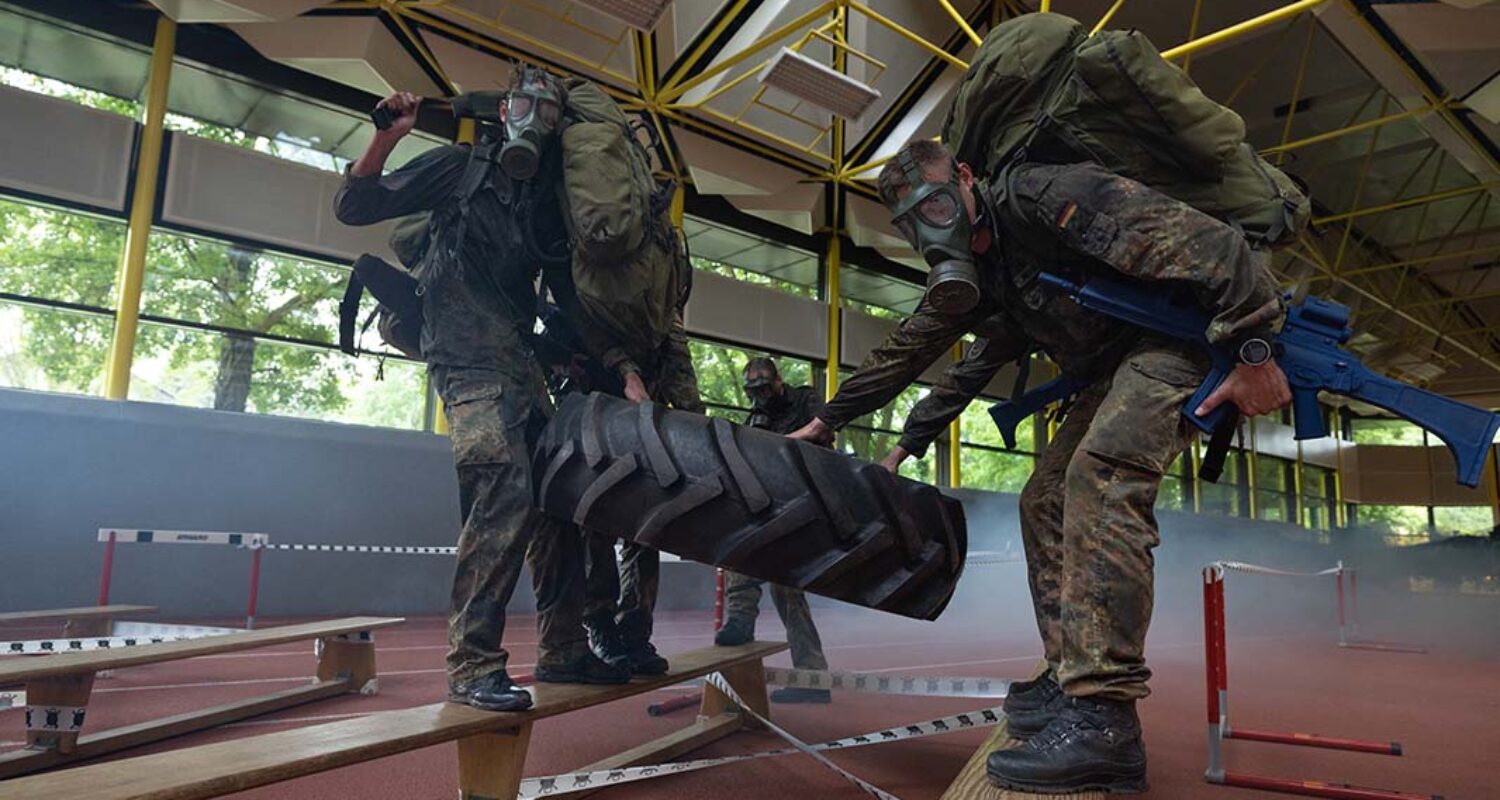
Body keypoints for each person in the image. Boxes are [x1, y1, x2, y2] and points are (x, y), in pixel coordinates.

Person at [789, 138, 1292, 793]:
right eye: (914, 221)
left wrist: (1254, 348)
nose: (932, 226)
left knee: (1102, 477)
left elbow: (1216, 249)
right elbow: (918, 356)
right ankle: (1069, 679)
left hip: (1191, 337)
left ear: (967, 179)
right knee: (1046, 496)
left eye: (939, 203)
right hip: (1120, 364)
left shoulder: (1042, 196)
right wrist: (831, 420)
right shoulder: (990, 277)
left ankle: (1104, 718)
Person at [333, 69, 629, 714]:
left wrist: (614, 362)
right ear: (504, 109)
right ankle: (472, 665)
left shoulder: (547, 205)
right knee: (502, 495)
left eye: (549, 112)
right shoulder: (459, 170)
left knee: (560, 502)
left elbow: (567, 298)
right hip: (465, 360)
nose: (536, 118)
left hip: (520, 365)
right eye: (527, 105)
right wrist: (387, 138)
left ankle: (562, 650)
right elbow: (355, 207)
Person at [575, 309, 702, 676]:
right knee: (596, 527)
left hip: (651, 423)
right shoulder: (596, 293)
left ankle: (635, 632)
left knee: (646, 531)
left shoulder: (664, 302)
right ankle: (600, 627)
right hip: (599, 413)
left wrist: (696, 426)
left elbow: (679, 364)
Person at [712, 357, 832, 704]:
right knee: (743, 557)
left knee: (788, 590)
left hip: (807, 501)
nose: (761, 396)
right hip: (770, 506)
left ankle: (812, 678)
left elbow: (822, 435)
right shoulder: (755, 419)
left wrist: (773, 442)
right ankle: (741, 622)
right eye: (754, 392)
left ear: (779, 381)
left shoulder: (807, 400)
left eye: (765, 388)